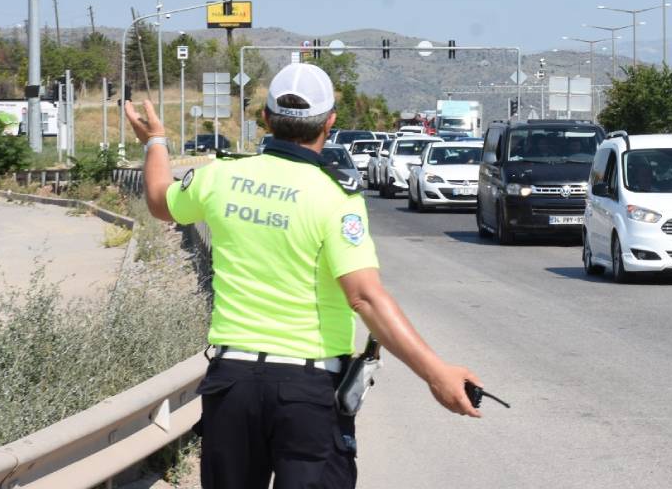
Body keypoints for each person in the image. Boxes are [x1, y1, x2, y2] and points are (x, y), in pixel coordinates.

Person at [124, 62, 481, 489]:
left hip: (231, 385)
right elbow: (365, 298)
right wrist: (436, 373)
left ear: (265, 120)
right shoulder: (335, 198)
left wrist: (156, 142)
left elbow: (162, 203)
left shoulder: (220, 177)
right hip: (306, 392)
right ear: (330, 122)